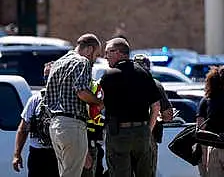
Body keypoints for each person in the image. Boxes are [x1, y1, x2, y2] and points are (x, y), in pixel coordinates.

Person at [43, 33, 104, 177]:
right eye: (96, 55)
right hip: (72, 124)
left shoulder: (57, 63)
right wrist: (99, 102)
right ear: (89, 49)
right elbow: (81, 91)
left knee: (65, 172)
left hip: (55, 125)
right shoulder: (82, 61)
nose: (95, 60)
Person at [100, 37, 161, 177]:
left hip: (119, 134)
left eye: (108, 52)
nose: (105, 56)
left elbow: (100, 104)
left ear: (118, 52)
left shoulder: (110, 75)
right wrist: (148, 130)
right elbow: (156, 106)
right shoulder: (144, 73)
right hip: (142, 133)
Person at [12, 62, 59, 177]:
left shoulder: (67, 99)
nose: (47, 79)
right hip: (38, 153)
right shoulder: (36, 99)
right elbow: (23, 128)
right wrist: (17, 154)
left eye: (50, 76)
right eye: (45, 76)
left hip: (59, 152)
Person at [133, 53, 175, 177]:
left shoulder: (122, 83)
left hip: (124, 132)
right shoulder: (155, 84)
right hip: (147, 134)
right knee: (147, 171)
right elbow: (167, 115)